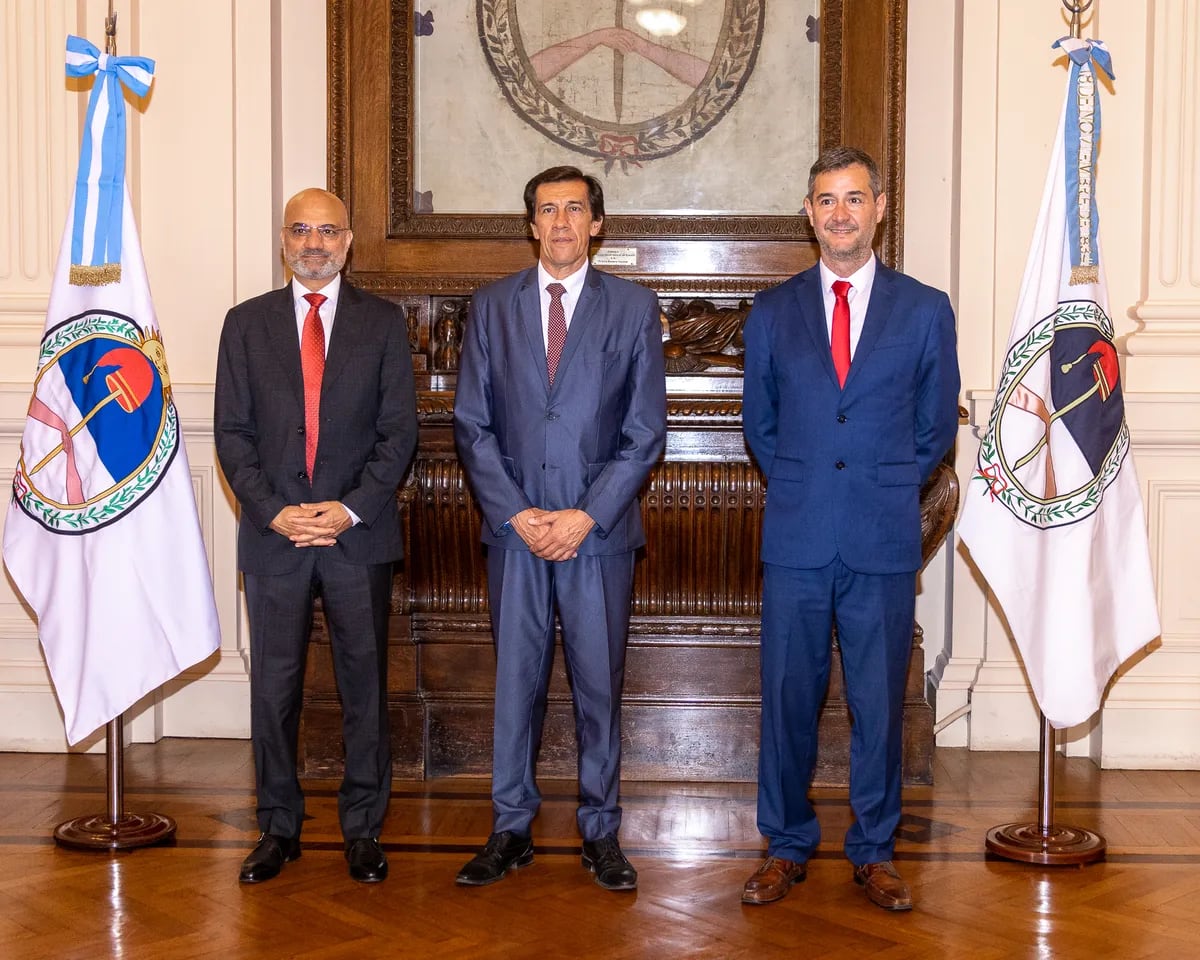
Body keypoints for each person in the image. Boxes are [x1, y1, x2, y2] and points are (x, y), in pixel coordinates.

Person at [740, 147, 960, 911]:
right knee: (787, 701)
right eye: (826, 201)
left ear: (880, 206)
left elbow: (935, 428)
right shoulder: (772, 311)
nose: (840, 213)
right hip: (798, 537)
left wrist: (880, 482)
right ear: (809, 213)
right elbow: (759, 426)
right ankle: (787, 845)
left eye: (854, 199)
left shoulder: (925, 309)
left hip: (882, 534)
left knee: (879, 705)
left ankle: (873, 850)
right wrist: (806, 480)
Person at [453, 165, 666, 892]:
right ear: (531, 225)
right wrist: (517, 512)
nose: (563, 222)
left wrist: (584, 515)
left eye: (576, 209)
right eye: (549, 210)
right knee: (515, 685)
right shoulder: (490, 306)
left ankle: (600, 831)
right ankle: (510, 827)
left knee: (598, 688)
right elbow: (472, 424)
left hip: (596, 536)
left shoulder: (633, 309)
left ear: (597, 224)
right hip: (515, 535)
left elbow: (644, 433)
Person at [214, 188, 417, 885]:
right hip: (276, 538)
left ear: (350, 240)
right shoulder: (245, 325)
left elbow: (399, 434)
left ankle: (362, 829)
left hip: (355, 538)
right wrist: (275, 511)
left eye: (328, 231)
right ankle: (278, 828)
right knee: (274, 692)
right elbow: (232, 436)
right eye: (301, 229)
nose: (314, 243)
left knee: (364, 689)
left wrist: (349, 509)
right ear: (282, 239)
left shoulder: (384, 323)